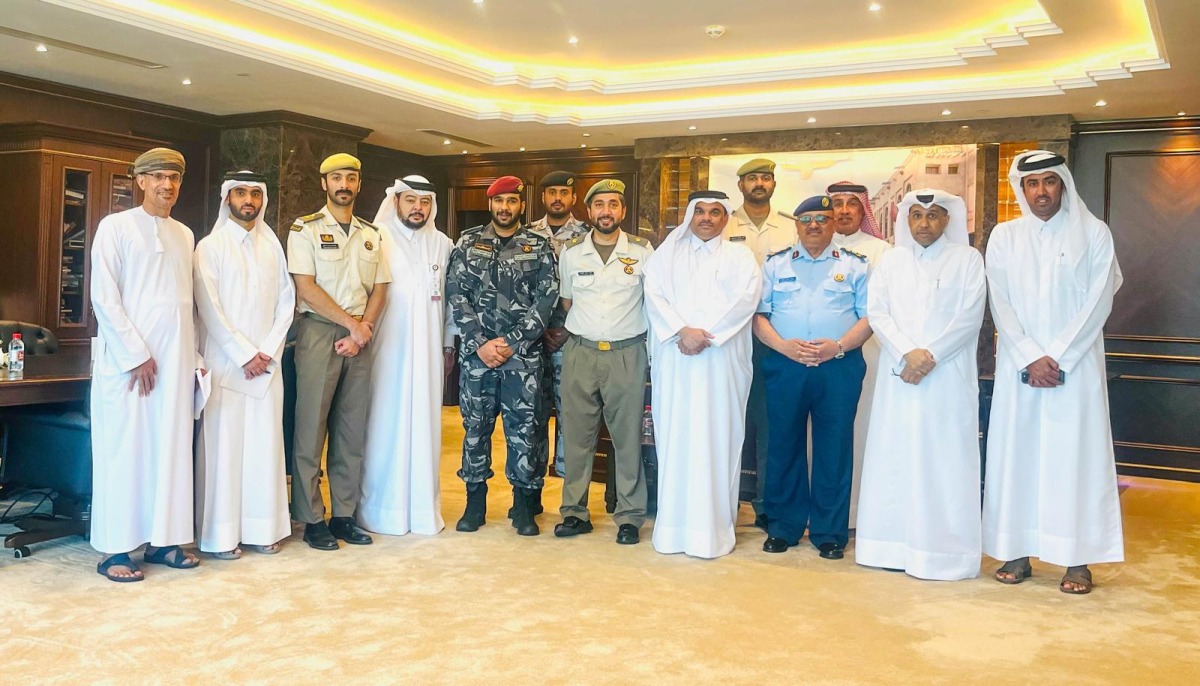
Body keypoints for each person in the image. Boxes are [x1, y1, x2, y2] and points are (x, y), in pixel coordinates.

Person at [984, 150, 1124, 594]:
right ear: (1021, 189)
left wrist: (1059, 355)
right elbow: (999, 300)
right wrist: (1029, 355)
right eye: (1032, 183)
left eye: (1049, 181)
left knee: (1074, 458)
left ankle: (1076, 559)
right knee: (1017, 455)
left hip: (1075, 368)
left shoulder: (1094, 232)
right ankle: (1016, 551)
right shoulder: (1005, 236)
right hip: (1020, 366)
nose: (1041, 191)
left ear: (1063, 184)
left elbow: (1100, 298)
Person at [854, 189, 986, 580]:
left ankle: (944, 554)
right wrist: (906, 353)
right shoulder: (891, 261)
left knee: (944, 462)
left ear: (947, 219)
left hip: (947, 378)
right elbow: (877, 313)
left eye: (932, 215)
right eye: (916, 215)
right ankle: (890, 547)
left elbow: (969, 317)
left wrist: (929, 356)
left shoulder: (967, 260)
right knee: (895, 459)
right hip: (900, 377)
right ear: (906, 220)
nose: (923, 223)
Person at [90, 147, 204, 582]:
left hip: (174, 364)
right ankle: (116, 550)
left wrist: (193, 358)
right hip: (129, 366)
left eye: (173, 178)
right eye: (157, 176)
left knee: (170, 450)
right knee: (127, 452)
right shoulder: (115, 227)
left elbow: (186, 304)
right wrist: (135, 354)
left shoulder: (185, 234)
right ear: (139, 181)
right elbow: (104, 297)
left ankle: (163, 541)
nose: (166, 185)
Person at [644, 190, 761, 559]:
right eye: (700, 212)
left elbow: (745, 302)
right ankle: (673, 529)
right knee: (676, 437)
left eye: (714, 212)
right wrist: (683, 331)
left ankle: (713, 532)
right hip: (676, 362)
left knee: (719, 438)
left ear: (725, 218)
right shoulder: (665, 256)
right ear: (689, 216)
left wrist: (703, 335)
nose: (707, 218)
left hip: (721, 363)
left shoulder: (741, 257)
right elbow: (654, 297)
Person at [754, 195, 872, 560]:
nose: (814, 226)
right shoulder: (775, 264)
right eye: (806, 220)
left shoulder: (855, 266)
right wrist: (783, 347)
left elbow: (870, 317)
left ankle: (829, 532)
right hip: (786, 366)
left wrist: (837, 347)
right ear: (797, 225)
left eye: (822, 219)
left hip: (838, 366)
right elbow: (759, 316)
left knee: (834, 449)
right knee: (782, 445)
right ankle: (783, 526)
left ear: (834, 224)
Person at [287, 153, 391, 550]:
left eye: (350, 178)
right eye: (336, 178)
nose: (344, 184)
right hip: (320, 333)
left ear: (359, 184)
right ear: (324, 183)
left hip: (360, 337)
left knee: (351, 430)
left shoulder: (371, 233)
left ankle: (344, 515)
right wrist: (353, 326)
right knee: (310, 428)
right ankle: (312, 517)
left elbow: (380, 289)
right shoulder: (305, 229)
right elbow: (306, 286)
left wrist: (362, 332)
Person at [446, 175, 557, 536]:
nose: (505, 208)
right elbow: (456, 294)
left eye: (511, 201)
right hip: (478, 358)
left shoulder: (537, 246)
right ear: (490, 204)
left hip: (522, 358)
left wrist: (512, 341)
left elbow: (546, 300)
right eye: (499, 201)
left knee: (525, 431)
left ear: (521, 205)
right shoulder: (468, 243)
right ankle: (474, 505)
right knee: (475, 429)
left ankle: (523, 507)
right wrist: (479, 342)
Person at [194, 170, 295, 559]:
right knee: (225, 450)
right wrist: (243, 355)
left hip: (267, 368)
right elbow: (209, 307)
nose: (248, 200)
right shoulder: (210, 246)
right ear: (227, 199)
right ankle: (221, 536)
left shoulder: (273, 247)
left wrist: (266, 353)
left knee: (264, 448)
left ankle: (262, 529)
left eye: (255, 193)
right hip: (226, 365)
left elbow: (286, 304)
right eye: (240, 193)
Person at [553, 179, 654, 544]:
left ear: (623, 210)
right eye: (599, 205)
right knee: (576, 437)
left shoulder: (643, 251)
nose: (606, 211)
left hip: (627, 353)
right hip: (580, 352)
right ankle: (574, 512)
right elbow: (567, 302)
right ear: (589, 210)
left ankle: (629, 516)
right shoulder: (571, 252)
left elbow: (652, 302)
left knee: (627, 439)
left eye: (613, 204)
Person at [358, 175, 454, 536]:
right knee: (384, 425)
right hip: (387, 351)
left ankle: (422, 510)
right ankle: (380, 511)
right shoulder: (376, 237)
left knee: (426, 427)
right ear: (396, 201)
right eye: (411, 200)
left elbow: (451, 300)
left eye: (424, 202)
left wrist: (448, 345)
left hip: (429, 354)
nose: (418, 208)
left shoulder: (443, 244)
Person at [727, 158, 796, 529]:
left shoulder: (790, 226)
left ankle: (767, 504)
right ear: (740, 185)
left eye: (765, 178)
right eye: (752, 178)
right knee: (728, 418)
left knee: (771, 423)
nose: (759, 183)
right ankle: (725, 500)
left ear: (773, 184)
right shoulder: (723, 224)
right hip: (729, 336)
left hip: (773, 337)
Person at [826, 181, 891, 530]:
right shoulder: (815, 246)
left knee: (862, 429)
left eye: (852, 203)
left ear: (862, 210)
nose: (843, 210)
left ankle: (859, 513)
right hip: (821, 359)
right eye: (836, 203)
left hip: (869, 355)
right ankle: (824, 511)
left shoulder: (881, 251)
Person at [529, 170, 591, 502]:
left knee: (572, 416)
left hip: (573, 338)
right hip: (532, 341)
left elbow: (593, 291)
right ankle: (531, 495)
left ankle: (572, 500)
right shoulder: (526, 234)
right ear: (543, 197)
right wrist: (537, 328)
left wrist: (568, 327)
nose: (557, 198)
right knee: (532, 415)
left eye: (563, 193)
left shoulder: (588, 235)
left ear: (573, 198)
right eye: (551, 192)